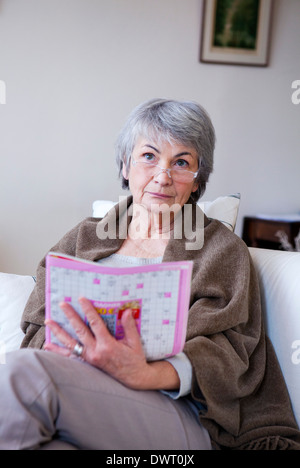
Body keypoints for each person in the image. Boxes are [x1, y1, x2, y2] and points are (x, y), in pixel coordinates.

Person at [0, 99, 300, 450]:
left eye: (182, 162)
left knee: (23, 374)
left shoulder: (221, 249)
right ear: (126, 165)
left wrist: (145, 372)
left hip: (182, 411)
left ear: (197, 179)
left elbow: (229, 350)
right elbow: (37, 320)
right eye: (149, 156)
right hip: (80, 392)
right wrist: (63, 348)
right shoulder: (85, 236)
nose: (163, 176)